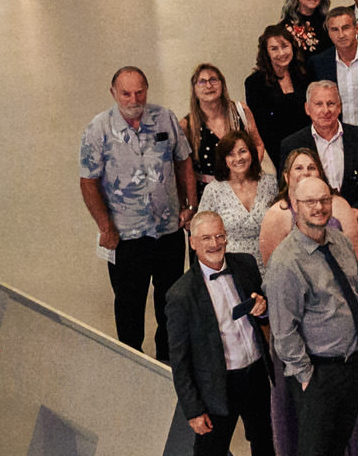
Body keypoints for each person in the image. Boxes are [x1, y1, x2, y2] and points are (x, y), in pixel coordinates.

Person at [163, 209, 277, 456]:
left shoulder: (243, 265)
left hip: (255, 376)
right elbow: (178, 360)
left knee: (265, 448)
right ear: (193, 243)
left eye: (219, 236)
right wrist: (193, 409)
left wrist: (261, 311)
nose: (215, 244)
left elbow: (262, 315)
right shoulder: (180, 295)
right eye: (206, 239)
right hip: (217, 389)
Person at [263, 175, 358, 456]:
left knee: (336, 441)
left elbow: (357, 290)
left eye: (324, 200)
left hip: (352, 361)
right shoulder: (286, 261)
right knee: (316, 453)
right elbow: (283, 330)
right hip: (319, 371)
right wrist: (306, 377)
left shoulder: (339, 241)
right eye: (310, 202)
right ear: (295, 206)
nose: (319, 207)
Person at [78, 67, 195, 358]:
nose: (134, 98)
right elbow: (88, 182)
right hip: (126, 236)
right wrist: (106, 227)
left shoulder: (164, 118)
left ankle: (168, 360)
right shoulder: (98, 129)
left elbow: (184, 161)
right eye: (126, 93)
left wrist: (189, 205)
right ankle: (132, 361)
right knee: (129, 305)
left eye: (139, 91)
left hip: (167, 230)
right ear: (113, 93)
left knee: (171, 301)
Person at [279, 81, 358, 233]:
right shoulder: (291, 145)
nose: (325, 110)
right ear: (307, 109)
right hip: (312, 232)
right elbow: (286, 189)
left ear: (340, 107)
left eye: (331, 103)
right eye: (319, 104)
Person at [195, 124, 276, 264]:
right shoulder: (213, 191)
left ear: (251, 153)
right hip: (234, 267)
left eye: (242, 151)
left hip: (271, 261)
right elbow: (202, 234)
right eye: (230, 154)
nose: (238, 158)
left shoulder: (270, 183)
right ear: (224, 160)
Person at [243, 25, 313, 157]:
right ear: (266, 53)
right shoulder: (254, 83)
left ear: (292, 46)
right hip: (276, 152)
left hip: (308, 148)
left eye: (285, 46)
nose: (281, 53)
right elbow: (261, 128)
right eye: (274, 49)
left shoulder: (304, 76)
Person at [182, 63, 252, 185]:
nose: (209, 85)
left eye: (213, 80)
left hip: (244, 186)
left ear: (222, 83)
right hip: (207, 193)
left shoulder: (241, 111)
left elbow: (258, 145)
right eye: (202, 82)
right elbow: (185, 169)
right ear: (194, 89)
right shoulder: (187, 125)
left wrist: (250, 170)